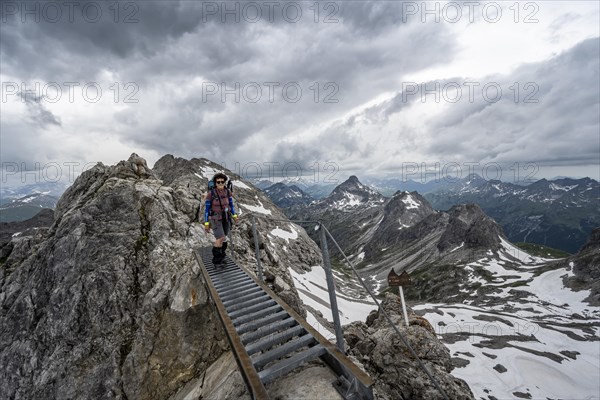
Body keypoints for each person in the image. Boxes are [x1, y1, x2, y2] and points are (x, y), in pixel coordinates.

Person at [204, 173, 238, 266]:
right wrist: (206, 223)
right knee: (220, 238)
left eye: (222, 181)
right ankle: (216, 261)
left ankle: (222, 256)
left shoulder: (227, 192)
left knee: (224, 238)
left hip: (226, 217)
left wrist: (234, 216)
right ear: (215, 183)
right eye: (218, 181)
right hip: (215, 219)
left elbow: (231, 205)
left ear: (224, 182)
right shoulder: (211, 194)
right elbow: (206, 210)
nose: (220, 183)